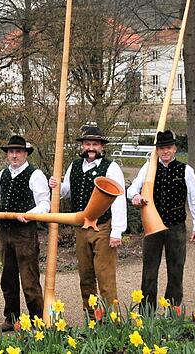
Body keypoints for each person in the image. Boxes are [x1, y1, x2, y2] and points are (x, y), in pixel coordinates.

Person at [48, 126, 126, 309]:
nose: (91, 148)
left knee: (104, 275)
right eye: (88, 144)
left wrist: (117, 231)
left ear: (102, 147)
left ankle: (112, 322)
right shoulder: (74, 165)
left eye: (95, 144)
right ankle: (91, 319)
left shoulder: (111, 168)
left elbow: (119, 198)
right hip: (81, 227)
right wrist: (56, 185)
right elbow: (66, 191)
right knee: (85, 275)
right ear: (82, 146)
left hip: (103, 227)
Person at [127, 130, 195, 310]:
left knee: (176, 270)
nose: (165, 152)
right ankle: (147, 314)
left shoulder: (186, 170)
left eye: (168, 147)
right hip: (152, 228)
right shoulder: (149, 168)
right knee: (149, 272)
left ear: (175, 148)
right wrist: (136, 197)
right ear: (157, 150)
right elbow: (132, 189)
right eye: (161, 148)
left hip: (176, 226)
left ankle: (173, 312)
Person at [0, 135, 50, 329]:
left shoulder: (36, 175)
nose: (14, 155)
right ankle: (11, 319)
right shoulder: (3, 174)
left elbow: (44, 204)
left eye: (18, 151)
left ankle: (37, 322)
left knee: (29, 280)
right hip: (5, 232)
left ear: (26, 154)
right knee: (7, 279)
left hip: (25, 233)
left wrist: (28, 214)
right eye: (11, 151)